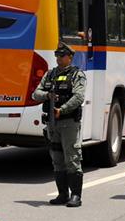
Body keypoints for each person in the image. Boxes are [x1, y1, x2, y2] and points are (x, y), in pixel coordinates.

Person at [33, 42, 86, 207]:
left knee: (72, 158)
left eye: (62, 56)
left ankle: (76, 196)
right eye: (57, 55)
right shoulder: (50, 74)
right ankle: (62, 194)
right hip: (52, 124)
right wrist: (48, 95)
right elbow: (36, 94)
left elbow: (79, 97)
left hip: (68, 122)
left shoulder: (77, 75)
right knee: (57, 159)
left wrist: (61, 109)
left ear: (70, 57)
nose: (58, 58)